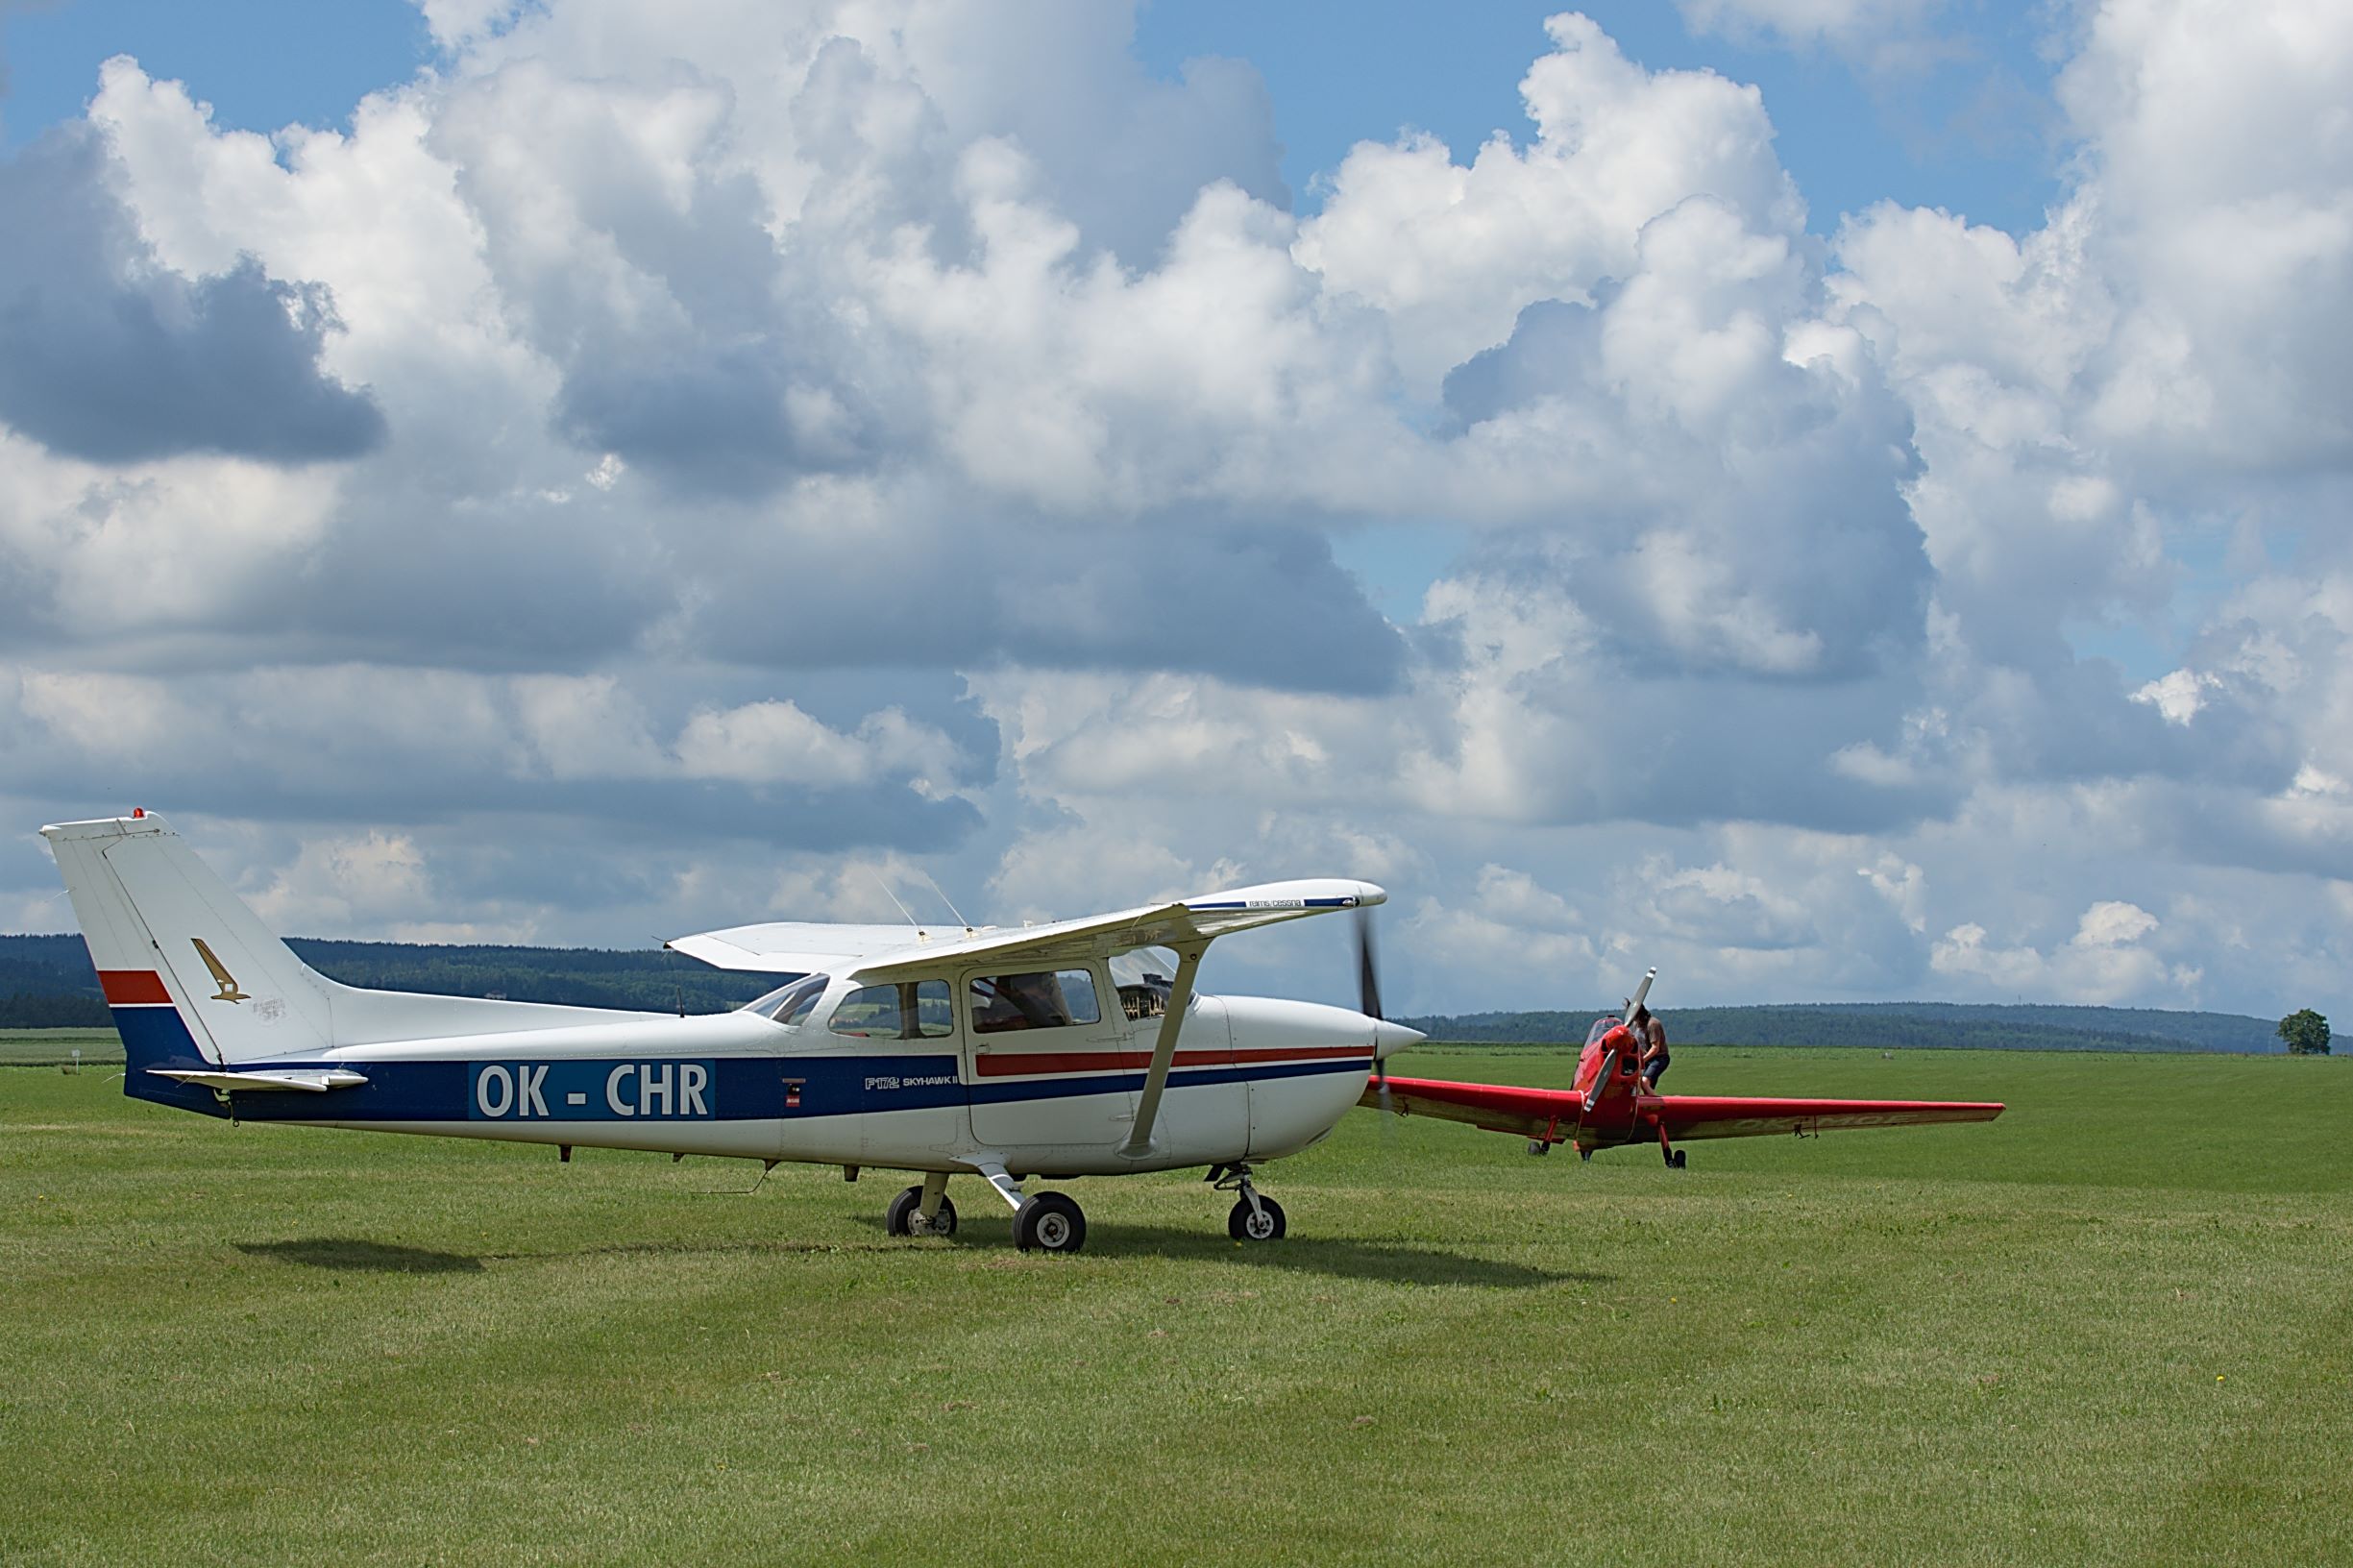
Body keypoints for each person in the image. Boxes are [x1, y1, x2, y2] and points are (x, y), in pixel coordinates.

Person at [1630, 1002, 1669, 1090]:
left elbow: (1655, 1048)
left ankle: (1661, 1104)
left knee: (1644, 1082)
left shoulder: (1652, 1024)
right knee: (1646, 1087)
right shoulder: (1636, 1025)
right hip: (1647, 1060)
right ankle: (1651, 1103)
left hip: (1659, 1058)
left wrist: (1642, 1060)